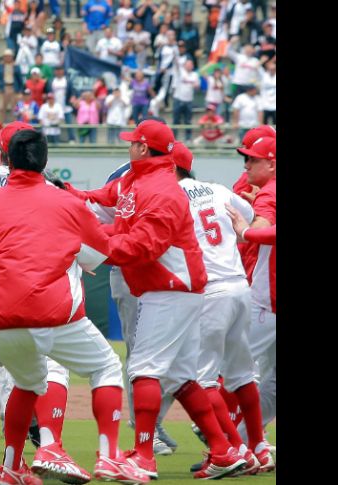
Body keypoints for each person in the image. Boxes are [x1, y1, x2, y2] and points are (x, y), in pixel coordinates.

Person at [0, 127, 148, 485]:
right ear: (46, 163)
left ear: (7, 160)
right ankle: (108, 457)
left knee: (28, 384)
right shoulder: (67, 203)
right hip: (51, 313)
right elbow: (101, 252)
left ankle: (12, 467)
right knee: (107, 366)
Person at [66, 120, 248, 480]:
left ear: (144, 149)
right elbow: (106, 197)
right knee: (182, 376)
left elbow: (142, 247)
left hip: (170, 287)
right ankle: (224, 451)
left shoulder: (163, 190)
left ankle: (145, 456)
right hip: (169, 287)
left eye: (133, 143)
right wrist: (67, 195)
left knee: (143, 369)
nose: (129, 147)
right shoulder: (137, 179)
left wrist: (88, 247)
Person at [172, 142, 272, 475]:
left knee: (202, 381)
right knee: (243, 375)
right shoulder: (217, 190)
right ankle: (258, 447)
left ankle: (234, 450)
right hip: (239, 288)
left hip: (209, 293)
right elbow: (248, 232)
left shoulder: (169, 197)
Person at [234, 135, 277, 469]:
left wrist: (247, 230)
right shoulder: (262, 191)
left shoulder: (270, 192)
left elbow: (263, 226)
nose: (246, 165)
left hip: (267, 303)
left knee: (233, 372)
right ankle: (249, 443)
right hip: (266, 299)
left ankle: (233, 443)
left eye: (253, 159)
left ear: (272, 163)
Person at [0, 49, 23, 122]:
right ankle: (1, 122)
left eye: (9, 56)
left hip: (14, 88)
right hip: (4, 88)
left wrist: (20, 91)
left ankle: (15, 122)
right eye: (6, 56)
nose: (8, 58)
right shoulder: (0, 66)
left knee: (15, 108)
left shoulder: (16, 66)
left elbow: (20, 79)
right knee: (2, 107)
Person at [171, 59, 199, 140]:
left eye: (191, 64)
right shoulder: (180, 72)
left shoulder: (195, 74)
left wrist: (195, 85)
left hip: (189, 101)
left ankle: (188, 139)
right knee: (176, 120)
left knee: (188, 121)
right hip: (178, 99)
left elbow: (197, 86)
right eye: (188, 64)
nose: (190, 66)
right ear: (185, 65)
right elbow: (176, 64)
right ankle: (173, 138)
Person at [260, 60, 276, 125]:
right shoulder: (263, 76)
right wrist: (262, 61)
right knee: (264, 126)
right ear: (268, 69)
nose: (272, 70)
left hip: (275, 106)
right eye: (270, 69)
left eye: (274, 69)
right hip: (265, 105)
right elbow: (256, 68)